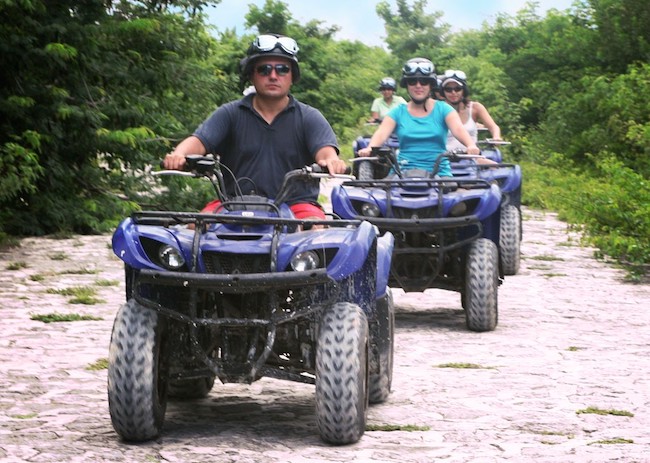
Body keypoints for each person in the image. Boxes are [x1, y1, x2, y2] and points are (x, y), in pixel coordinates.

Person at [163, 34, 347, 220]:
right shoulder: (230, 113)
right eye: (264, 69)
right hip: (233, 203)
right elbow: (198, 141)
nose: (273, 76)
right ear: (251, 74)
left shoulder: (309, 117)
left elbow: (326, 153)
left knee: (315, 228)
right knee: (198, 226)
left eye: (282, 69)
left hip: (296, 205)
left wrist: (332, 161)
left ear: (293, 76)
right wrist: (179, 154)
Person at [358, 58, 482, 177]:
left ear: (431, 85)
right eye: (412, 81)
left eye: (424, 81)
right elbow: (381, 133)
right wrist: (369, 148)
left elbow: (458, 130)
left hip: (439, 173)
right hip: (402, 172)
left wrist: (470, 145)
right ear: (406, 85)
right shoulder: (397, 112)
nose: (418, 85)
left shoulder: (444, 109)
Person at [441, 70, 502, 151]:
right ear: (443, 91)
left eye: (457, 89)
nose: (453, 92)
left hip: (471, 157)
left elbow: (493, 127)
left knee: (497, 163)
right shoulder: (438, 108)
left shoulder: (475, 107)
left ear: (464, 90)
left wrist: (496, 137)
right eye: (448, 89)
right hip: (444, 159)